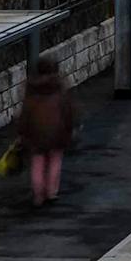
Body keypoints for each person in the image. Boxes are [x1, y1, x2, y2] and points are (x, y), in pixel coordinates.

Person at [18, 57, 75, 208]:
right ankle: (51, 192)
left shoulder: (31, 89)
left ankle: (38, 194)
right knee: (55, 160)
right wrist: (70, 127)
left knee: (38, 162)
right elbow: (68, 111)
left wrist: (22, 132)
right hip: (57, 131)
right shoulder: (60, 88)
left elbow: (25, 114)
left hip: (35, 132)